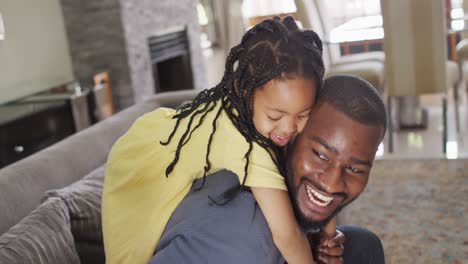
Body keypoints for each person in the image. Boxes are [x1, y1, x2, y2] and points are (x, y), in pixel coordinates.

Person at [102, 16, 325, 264]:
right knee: (135, 250)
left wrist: (328, 233)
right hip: (140, 167)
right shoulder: (243, 142)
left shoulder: (252, 115)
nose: (289, 127)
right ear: (243, 91)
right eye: (275, 115)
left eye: (303, 114)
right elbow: (286, 235)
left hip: (166, 138)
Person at [149, 75, 387, 264]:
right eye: (320, 155)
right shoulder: (243, 241)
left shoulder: (269, 154)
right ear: (289, 134)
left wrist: (312, 241)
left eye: (354, 169)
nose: (333, 183)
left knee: (364, 245)